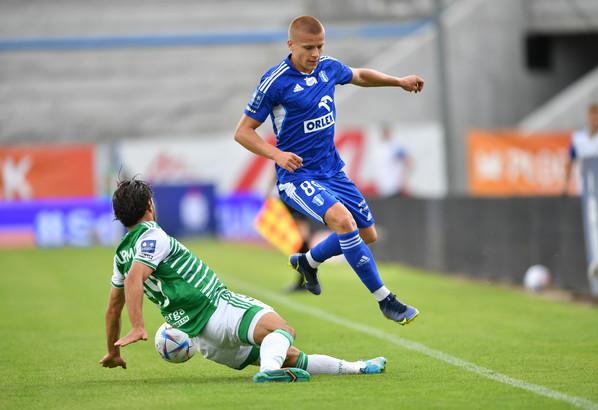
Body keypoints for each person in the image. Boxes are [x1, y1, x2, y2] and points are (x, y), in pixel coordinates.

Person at [99, 177, 388, 383]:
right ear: (150, 204)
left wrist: (113, 351)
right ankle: (270, 373)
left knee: (289, 355)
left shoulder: (121, 255)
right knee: (282, 330)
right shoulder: (153, 236)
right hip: (216, 309)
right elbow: (137, 278)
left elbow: (113, 307)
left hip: (204, 341)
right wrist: (138, 324)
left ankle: (358, 368)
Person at [234, 15, 423, 325]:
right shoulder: (275, 81)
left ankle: (307, 262)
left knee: (367, 233)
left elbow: (359, 75)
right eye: (308, 47)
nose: (315, 54)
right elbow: (243, 131)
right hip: (298, 177)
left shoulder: (328, 67)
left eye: (320, 46)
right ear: (290, 44)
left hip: (333, 171)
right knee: (344, 222)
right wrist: (277, 155)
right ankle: (386, 300)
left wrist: (398, 81)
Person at [564, 103, 598, 194]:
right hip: (584, 183)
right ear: (588, 116)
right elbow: (570, 161)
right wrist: (565, 185)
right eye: (593, 114)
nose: (595, 117)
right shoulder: (578, 137)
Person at [374, 123, 413, 198]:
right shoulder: (380, 147)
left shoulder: (395, 146)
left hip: (395, 186)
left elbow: (408, 161)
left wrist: (403, 179)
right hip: (383, 187)